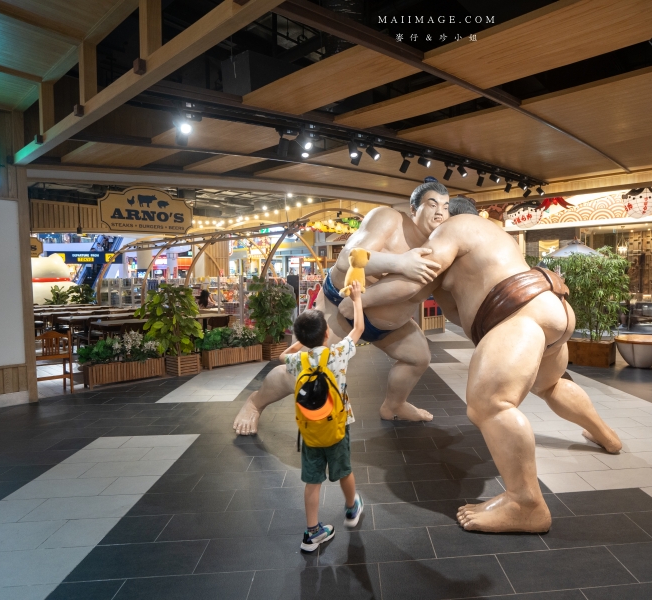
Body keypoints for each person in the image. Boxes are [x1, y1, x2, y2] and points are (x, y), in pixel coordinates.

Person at [338, 199, 620, 533]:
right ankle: (606, 436)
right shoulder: (491, 235)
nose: (436, 218)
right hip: (551, 308)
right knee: (549, 385)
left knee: (489, 404)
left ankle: (525, 504)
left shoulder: (454, 229)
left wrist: (357, 300)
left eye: (441, 210)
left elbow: (416, 282)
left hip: (517, 315)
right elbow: (454, 302)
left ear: (452, 215)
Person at [232, 181, 449, 435]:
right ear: (414, 208)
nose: (439, 213)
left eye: (445, 207)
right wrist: (399, 262)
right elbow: (347, 258)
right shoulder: (388, 219)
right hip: (339, 310)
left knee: (418, 357)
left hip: (391, 327)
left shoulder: (441, 246)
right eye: (432, 204)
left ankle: (394, 405)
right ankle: (255, 403)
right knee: (303, 372)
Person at [282, 281, 365, 551]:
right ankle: (352, 509)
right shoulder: (337, 354)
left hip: (310, 430)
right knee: (344, 471)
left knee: (312, 480)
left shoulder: (298, 362)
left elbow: (283, 356)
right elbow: (359, 330)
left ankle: (313, 532)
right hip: (338, 425)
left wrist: (300, 344)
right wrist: (356, 298)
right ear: (327, 333)